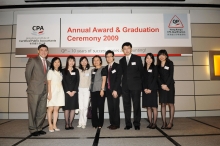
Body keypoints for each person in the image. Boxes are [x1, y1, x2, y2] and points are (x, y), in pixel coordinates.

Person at [25, 44, 50, 136]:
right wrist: (31, 85)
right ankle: (32, 129)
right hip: (34, 89)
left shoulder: (48, 63)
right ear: (38, 51)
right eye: (42, 50)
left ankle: (39, 127)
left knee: (42, 110)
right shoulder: (33, 60)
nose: (44, 52)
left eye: (45, 50)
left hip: (45, 89)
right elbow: (28, 74)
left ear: (47, 52)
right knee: (33, 110)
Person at [119, 42, 144, 130]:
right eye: (124, 49)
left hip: (136, 87)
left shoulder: (137, 58)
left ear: (131, 49)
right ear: (123, 50)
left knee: (136, 105)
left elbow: (141, 73)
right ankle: (128, 124)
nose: (126, 50)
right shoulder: (121, 60)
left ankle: (137, 123)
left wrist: (141, 85)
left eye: (128, 48)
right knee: (126, 106)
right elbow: (121, 74)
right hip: (125, 87)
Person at [157, 49, 175, 129]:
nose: (161, 57)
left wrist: (166, 85)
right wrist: (162, 85)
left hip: (169, 86)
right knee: (163, 104)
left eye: (163, 55)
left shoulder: (170, 63)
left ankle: (171, 122)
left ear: (166, 56)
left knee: (171, 104)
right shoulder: (157, 66)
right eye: (160, 55)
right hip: (161, 87)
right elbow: (157, 77)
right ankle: (164, 122)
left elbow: (171, 75)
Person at [105, 50, 122, 130]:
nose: (108, 58)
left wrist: (115, 90)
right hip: (108, 90)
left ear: (113, 57)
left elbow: (118, 79)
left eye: (110, 56)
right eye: (107, 56)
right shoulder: (106, 67)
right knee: (110, 107)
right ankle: (112, 123)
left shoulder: (117, 66)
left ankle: (116, 124)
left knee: (115, 107)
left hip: (115, 90)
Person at [47, 57, 65, 132]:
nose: (57, 63)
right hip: (52, 91)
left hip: (59, 92)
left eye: (58, 62)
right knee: (50, 109)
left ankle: (54, 125)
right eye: (55, 62)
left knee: (56, 109)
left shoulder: (60, 72)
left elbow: (60, 82)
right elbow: (49, 83)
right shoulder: (50, 71)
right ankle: (50, 125)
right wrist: (49, 94)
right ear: (52, 63)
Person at [62, 55, 79, 130]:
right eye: (70, 60)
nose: (71, 62)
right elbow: (63, 82)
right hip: (66, 93)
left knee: (72, 108)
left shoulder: (76, 70)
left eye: (73, 61)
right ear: (67, 62)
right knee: (67, 108)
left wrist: (74, 91)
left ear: (74, 62)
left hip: (74, 92)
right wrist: (68, 91)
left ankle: (70, 123)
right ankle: (66, 124)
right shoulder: (63, 71)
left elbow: (77, 81)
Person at [90, 55, 107, 129]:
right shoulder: (92, 70)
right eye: (94, 60)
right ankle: (94, 123)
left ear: (100, 61)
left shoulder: (103, 69)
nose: (96, 62)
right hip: (93, 91)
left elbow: (104, 80)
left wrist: (102, 90)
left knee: (100, 107)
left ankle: (100, 123)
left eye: (97, 60)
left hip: (100, 91)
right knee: (93, 108)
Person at [142, 53, 158, 129]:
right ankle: (150, 122)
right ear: (145, 59)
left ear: (152, 60)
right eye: (147, 58)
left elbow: (155, 79)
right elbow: (142, 80)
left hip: (153, 90)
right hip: (145, 90)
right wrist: (144, 88)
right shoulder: (143, 68)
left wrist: (150, 89)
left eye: (150, 58)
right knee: (148, 107)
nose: (148, 59)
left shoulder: (155, 68)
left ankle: (154, 123)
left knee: (154, 107)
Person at [77, 56, 92, 129]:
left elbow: (91, 81)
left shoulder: (90, 70)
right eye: (82, 61)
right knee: (81, 107)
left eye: (85, 60)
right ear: (80, 62)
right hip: (79, 89)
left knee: (85, 106)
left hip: (87, 90)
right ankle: (80, 122)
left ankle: (84, 122)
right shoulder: (77, 70)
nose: (84, 62)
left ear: (87, 62)